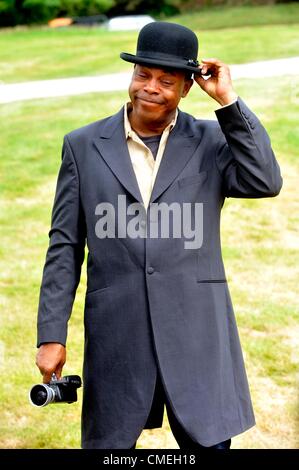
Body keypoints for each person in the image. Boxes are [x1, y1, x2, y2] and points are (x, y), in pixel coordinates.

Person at [35, 21, 282, 449]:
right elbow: (65, 247)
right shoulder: (82, 145)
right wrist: (51, 334)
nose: (150, 88)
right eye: (142, 75)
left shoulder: (212, 140)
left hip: (197, 333)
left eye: (166, 81)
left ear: (186, 88)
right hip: (118, 334)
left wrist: (227, 100)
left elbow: (264, 179)